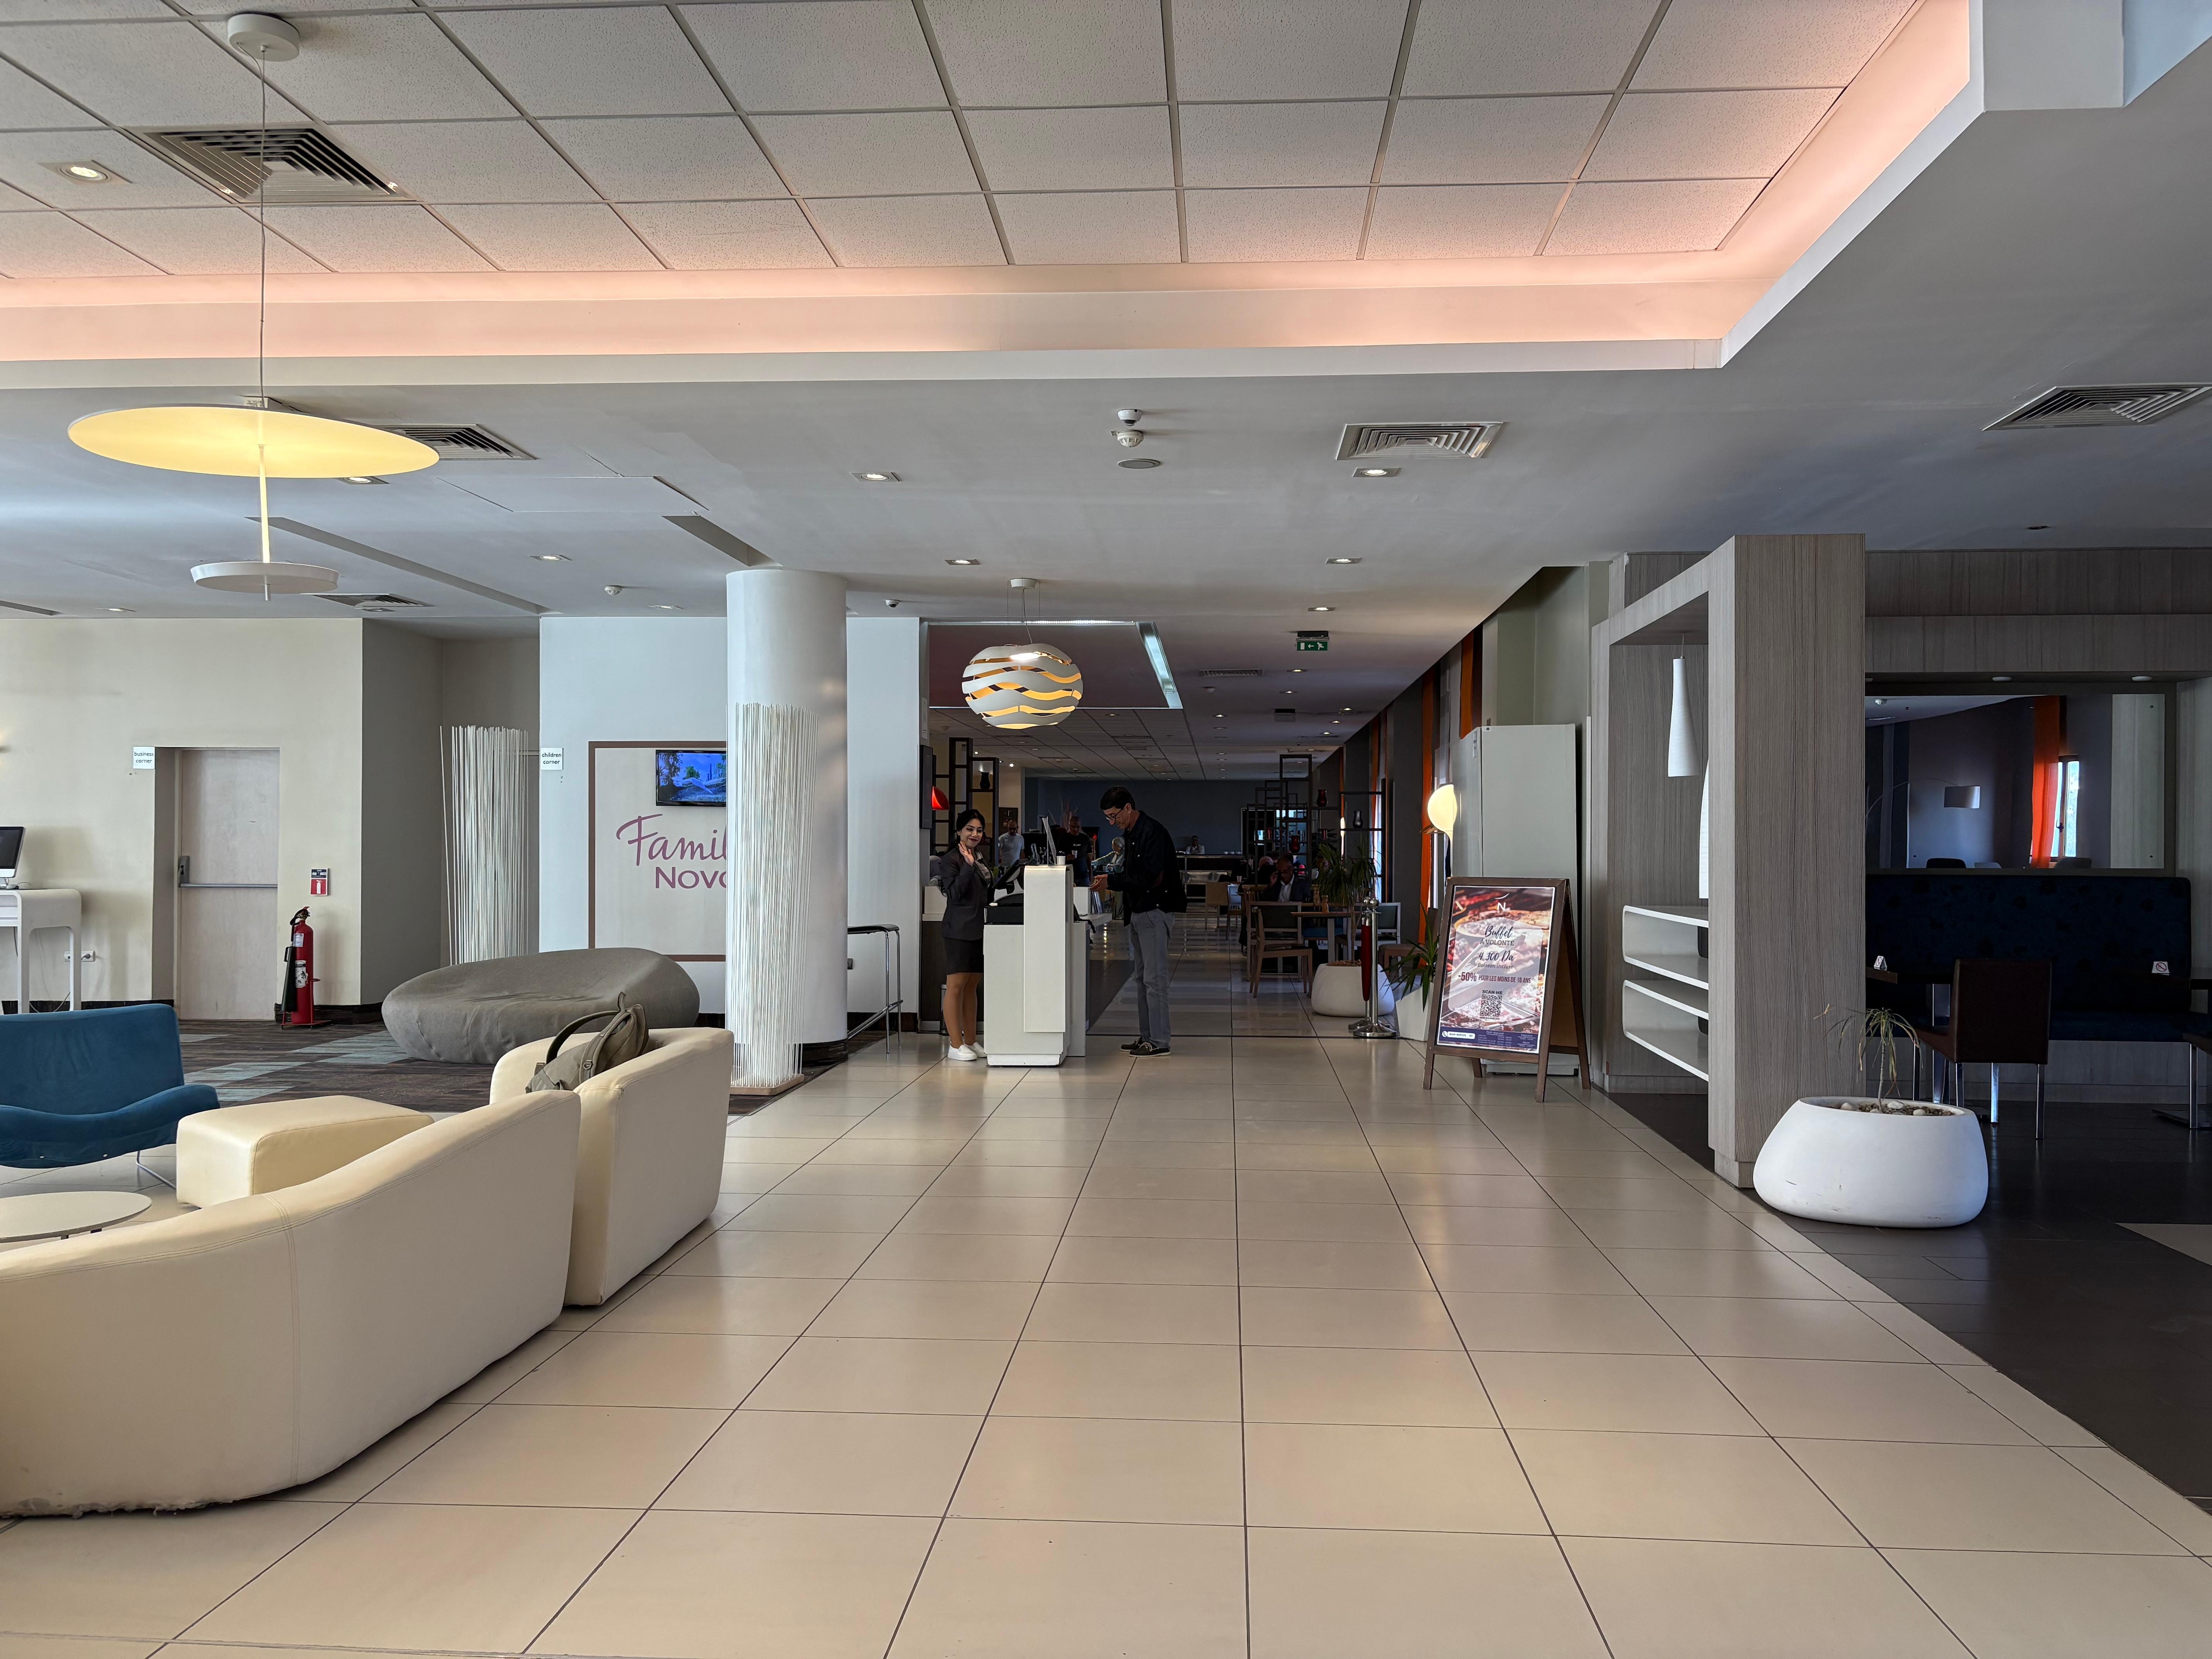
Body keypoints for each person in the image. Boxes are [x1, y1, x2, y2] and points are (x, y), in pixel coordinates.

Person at [1092, 785, 1182, 1055]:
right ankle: (1148, 1036)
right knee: (1143, 979)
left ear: (1129, 808)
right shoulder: (1132, 833)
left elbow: (1150, 878)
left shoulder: (1152, 833)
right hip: (1140, 912)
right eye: (1108, 817)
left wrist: (1112, 882)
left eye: (1114, 816)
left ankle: (1160, 1041)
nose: (1112, 822)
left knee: (1155, 980)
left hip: (1154, 910)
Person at [937, 808, 1001, 1061]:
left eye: (979, 830)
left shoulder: (979, 856)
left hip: (979, 927)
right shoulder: (951, 859)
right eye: (970, 829)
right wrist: (969, 866)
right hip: (959, 929)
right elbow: (954, 894)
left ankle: (971, 1040)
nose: (975, 834)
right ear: (959, 832)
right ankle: (955, 1044)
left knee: (972, 985)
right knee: (956, 985)